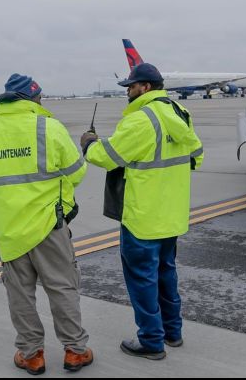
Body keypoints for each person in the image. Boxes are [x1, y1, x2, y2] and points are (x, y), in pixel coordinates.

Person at [0, 74, 93, 375]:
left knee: (19, 294)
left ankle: (32, 355)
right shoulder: (49, 127)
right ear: (33, 98)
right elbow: (77, 172)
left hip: (10, 231)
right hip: (50, 224)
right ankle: (75, 351)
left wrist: (1, 210)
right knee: (62, 288)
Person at [80, 63, 203, 360]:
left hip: (142, 217)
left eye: (130, 87)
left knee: (142, 279)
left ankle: (151, 341)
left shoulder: (140, 119)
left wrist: (89, 145)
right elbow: (196, 156)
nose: (127, 91)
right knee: (166, 274)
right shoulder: (178, 114)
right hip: (171, 215)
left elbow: (109, 157)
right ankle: (173, 332)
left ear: (145, 87)